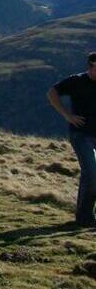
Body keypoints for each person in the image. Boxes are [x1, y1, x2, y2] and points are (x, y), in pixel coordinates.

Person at [48, 52, 96, 227]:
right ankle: (84, 217)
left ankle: (85, 216)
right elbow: (52, 93)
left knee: (91, 174)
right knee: (91, 174)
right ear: (90, 66)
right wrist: (67, 115)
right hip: (81, 134)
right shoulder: (77, 81)